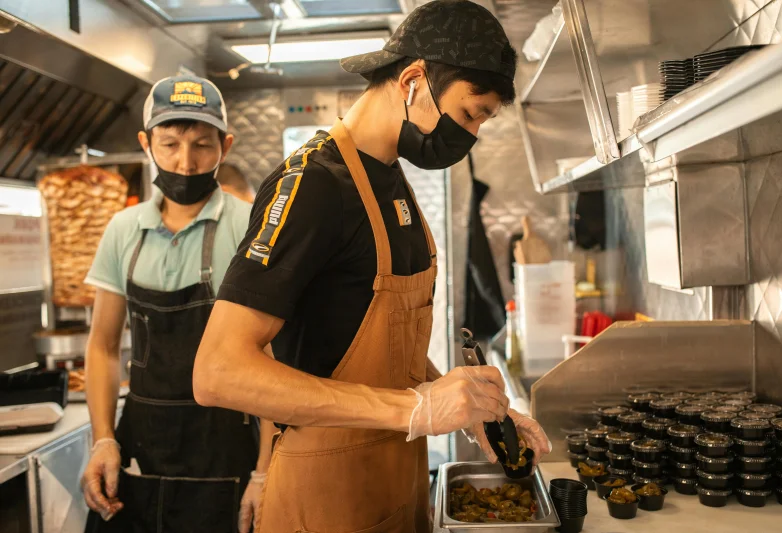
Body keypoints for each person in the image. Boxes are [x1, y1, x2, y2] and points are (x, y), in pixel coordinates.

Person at [194, 1, 551, 531]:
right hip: (325, 500)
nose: (472, 134)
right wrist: (414, 410)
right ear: (412, 81)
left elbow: (384, 349)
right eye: (470, 113)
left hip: (393, 490)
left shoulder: (391, 179)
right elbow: (218, 372)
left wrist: (471, 408)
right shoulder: (313, 185)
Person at [81, 74, 272, 533]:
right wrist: (103, 439)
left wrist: (266, 472)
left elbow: (271, 358)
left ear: (225, 146)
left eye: (202, 145)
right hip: (141, 450)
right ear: (146, 143)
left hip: (226, 453)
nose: (186, 163)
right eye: (170, 145)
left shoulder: (252, 226)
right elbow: (103, 347)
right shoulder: (123, 230)